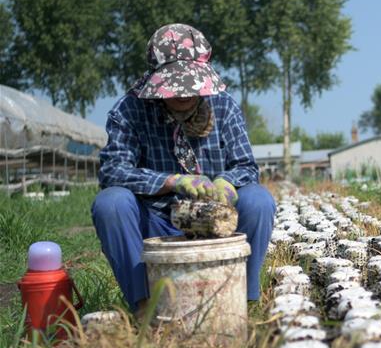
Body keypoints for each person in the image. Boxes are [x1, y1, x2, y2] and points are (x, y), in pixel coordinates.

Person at [92, 23, 275, 313]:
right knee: (110, 203)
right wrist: (171, 181)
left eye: (190, 85)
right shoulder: (130, 110)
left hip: (217, 219)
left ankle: (240, 302)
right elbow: (113, 171)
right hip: (155, 218)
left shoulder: (223, 106)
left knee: (259, 200)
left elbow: (245, 166)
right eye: (175, 86)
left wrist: (226, 183)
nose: (183, 93)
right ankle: (145, 308)